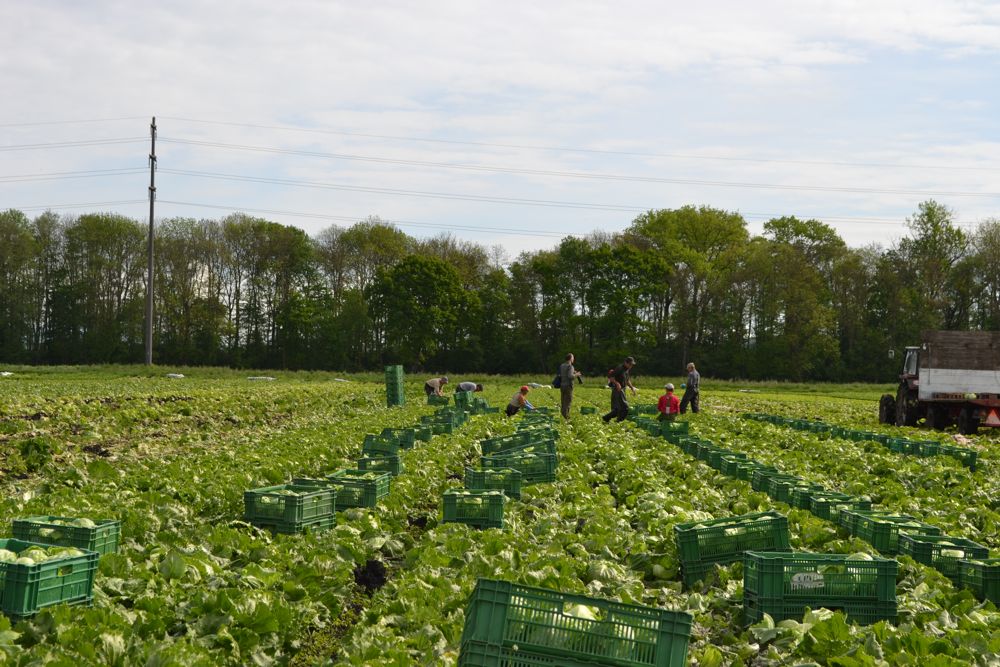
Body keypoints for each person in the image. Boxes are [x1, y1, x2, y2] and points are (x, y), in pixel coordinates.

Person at [603, 356, 637, 423]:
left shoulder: (626, 369)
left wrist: (632, 388)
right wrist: (617, 383)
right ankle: (618, 421)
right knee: (625, 407)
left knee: (618, 408)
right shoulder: (620, 368)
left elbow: (627, 380)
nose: (631, 366)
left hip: (622, 389)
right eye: (630, 364)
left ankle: (606, 418)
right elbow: (611, 377)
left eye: (632, 365)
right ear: (625, 363)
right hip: (618, 389)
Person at [558, 353, 582, 419]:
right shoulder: (570, 366)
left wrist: (573, 372)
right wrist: (576, 374)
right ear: (570, 358)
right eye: (573, 357)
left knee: (563, 402)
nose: (573, 359)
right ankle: (566, 417)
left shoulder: (562, 365)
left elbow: (562, 374)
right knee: (568, 402)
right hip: (568, 386)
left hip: (562, 385)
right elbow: (570, 376)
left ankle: (562, 416)